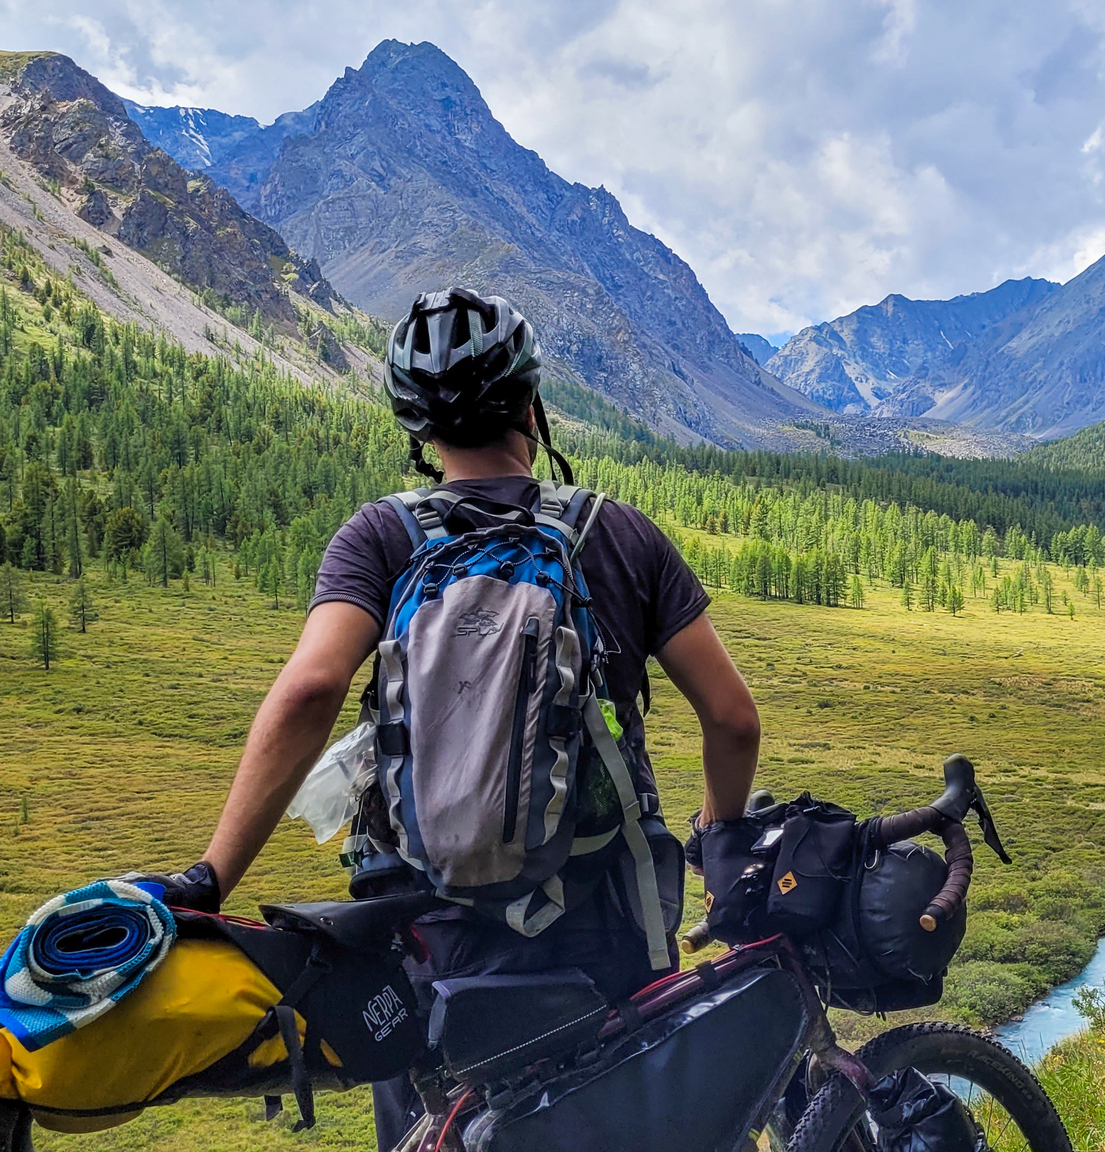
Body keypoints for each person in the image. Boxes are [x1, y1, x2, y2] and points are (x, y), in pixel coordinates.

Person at [153, 287, 761, 1147]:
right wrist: (719, 833)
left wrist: (212, 876)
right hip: (603, 927)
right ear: (531, 403)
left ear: (417, 429)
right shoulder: (619, 535)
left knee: (440, 1127)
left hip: (421, 937)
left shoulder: (379, 538)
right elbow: (732, 720)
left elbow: (308, 692)